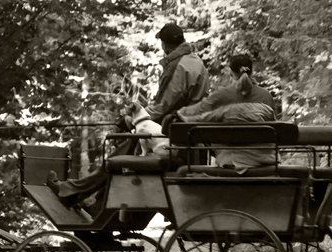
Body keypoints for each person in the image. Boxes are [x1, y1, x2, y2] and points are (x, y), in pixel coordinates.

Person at [47, 22, 210, 207]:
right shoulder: (196, 61)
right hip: (187, 135)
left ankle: (75, 192)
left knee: (118, 157)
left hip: (174, 136)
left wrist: (130, 120)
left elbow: (162, 107)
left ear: (164, 45)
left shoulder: (177, 67)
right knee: (123, 151)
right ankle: (90, 200)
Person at [172, 53, 278, 171]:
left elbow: (195, 113)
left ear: (231, 73)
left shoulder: (221, 96)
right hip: (265, 160)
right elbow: (275, 128)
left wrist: (179, 111)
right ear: (252, 72)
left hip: (231, 161)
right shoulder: (266, 97)